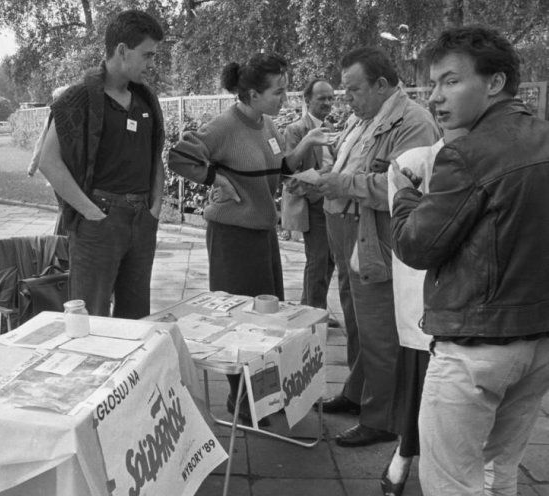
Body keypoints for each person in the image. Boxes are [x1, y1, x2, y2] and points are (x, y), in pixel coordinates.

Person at [391, 26, 549, 495]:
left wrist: (403, 196)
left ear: (495, 83)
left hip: (475, 347)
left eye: (450, 81)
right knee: (497, 471)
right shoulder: (542, 137)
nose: (435, 96)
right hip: (537, 341)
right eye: (432, 83)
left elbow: (417, 246)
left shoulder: (465, 154)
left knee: (450, 481)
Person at [167, 54, 329, 420]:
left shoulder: (266, 124)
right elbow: (179, 156)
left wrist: (308, 144)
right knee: (238, 322)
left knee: (268, 319)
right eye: (278, 91)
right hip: (232, 237)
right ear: (253, 94)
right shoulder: (223, 126)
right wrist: (215, 179)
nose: (284, 99)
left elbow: (280, 166)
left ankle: (262, 396)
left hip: (262, 234)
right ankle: (239, 400)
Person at [315, 47, 438, 447]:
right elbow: (350, 167)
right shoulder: (364, 118)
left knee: (381, 329)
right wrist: (323, 176)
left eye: (353, 89)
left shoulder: (413, 123)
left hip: (376, 239)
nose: (346, 98)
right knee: (357, 322)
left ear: (382, 85)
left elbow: (404, 189)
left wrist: (342, 184)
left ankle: (383, 417)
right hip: (348, 231)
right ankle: (357, 392)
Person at [38, 10, 165, 318]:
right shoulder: (78, 99)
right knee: (91, 318)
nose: (152, 63)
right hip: (99, 221)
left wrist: (154, 210)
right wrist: (91, 212)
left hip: (141, 221)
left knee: (136, 319)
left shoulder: (145, 100)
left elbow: (155, 158)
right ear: (122, 50)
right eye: (147, 55)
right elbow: (47, 161)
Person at [381, 110, 466, 496]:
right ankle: (405, 451)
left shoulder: (504, 159)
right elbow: (414, 240)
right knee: (420, 380)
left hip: (479, 310)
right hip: (427, 300)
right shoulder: (415, 163)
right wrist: (404, 193)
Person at [280, 78, 338, 319]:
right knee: (317, 261)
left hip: (334, 201)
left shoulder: (331, 127)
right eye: (322, 98)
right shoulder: (296, 130)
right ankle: (312, 315)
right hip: (314, 204)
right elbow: (288, 175)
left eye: (330, 98)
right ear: (307, 100)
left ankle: (315, 310)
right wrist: (317, 192)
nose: (328, 103)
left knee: (330, 262)